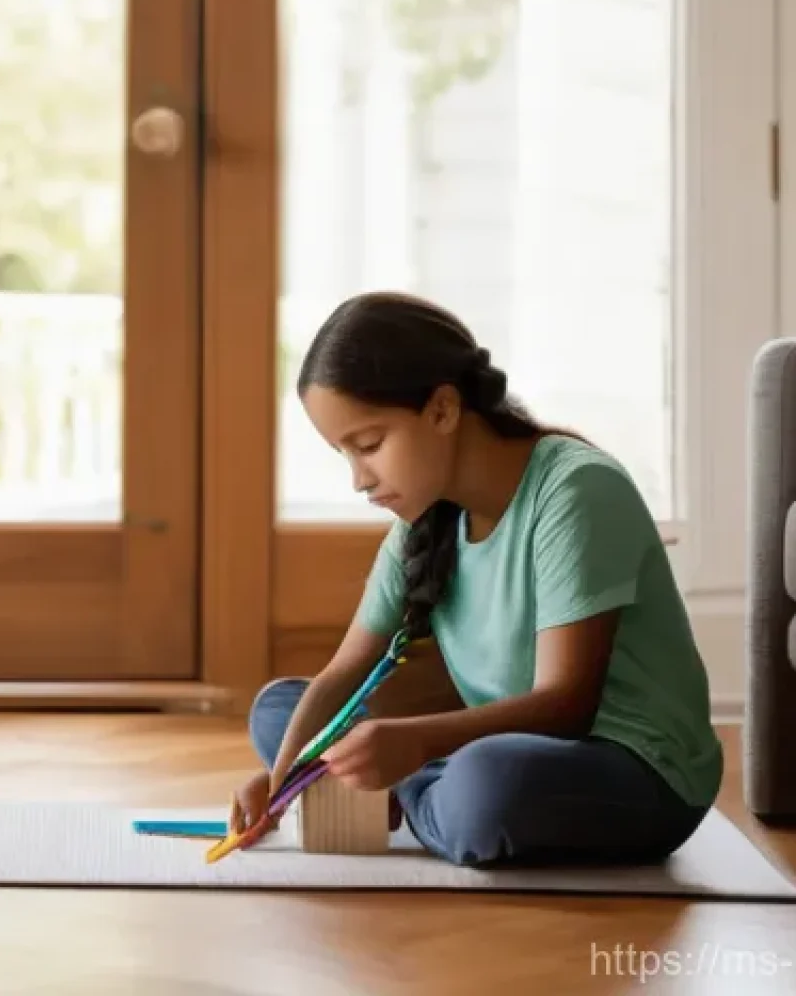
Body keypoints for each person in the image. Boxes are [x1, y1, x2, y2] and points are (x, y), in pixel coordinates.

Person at [232, 291, 723, 867]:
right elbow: (343, 674)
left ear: (443, 409)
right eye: (346, 455)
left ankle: (412, 795)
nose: (359, 480)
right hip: (494, 749)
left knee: (489, 783)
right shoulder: (425, 517)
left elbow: (568, 706)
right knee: (281, 709)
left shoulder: (576, 489)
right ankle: (421, 793)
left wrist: (413, 746)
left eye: (368, 445)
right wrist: (281, 780)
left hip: (633, 772)